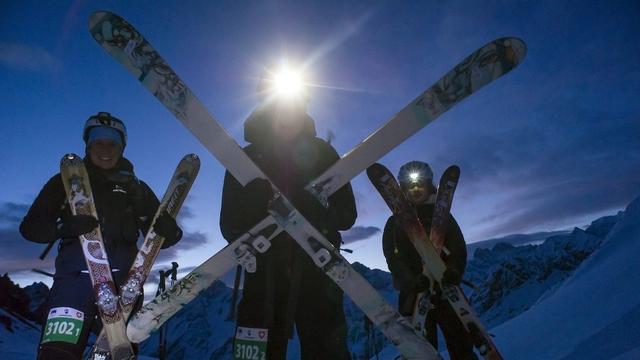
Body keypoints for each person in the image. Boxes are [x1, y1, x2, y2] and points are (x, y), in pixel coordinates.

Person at [20, 112, 183, 360]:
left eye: (112, 142)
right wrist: (64, 228)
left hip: (125, 286)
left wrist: (169, 231)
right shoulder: (64, 182)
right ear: (88, 144)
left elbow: (165, 237)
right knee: (58, 352)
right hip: (74, 281)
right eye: (98, 141)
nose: (105, 148)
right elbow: (30, 228)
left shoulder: (135, 188)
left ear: (121, 147)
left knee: (116, 354)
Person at [220, 78, 357, 359]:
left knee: (326, 351)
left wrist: (319, 209)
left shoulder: (323, 154)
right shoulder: (245, 160)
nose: (287, 114)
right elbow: (229, 225)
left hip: (318, 272)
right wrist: (252, 208)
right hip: (263, 274)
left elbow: (346, 216)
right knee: (257, 353)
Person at [382, 161, 477, 360]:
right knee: (422, 350)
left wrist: (453, 271)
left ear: (428, 185)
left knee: (460, 343)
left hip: (447, 291)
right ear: (403, 190)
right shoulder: (394, 223)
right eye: (410, 186)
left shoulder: (443, 217)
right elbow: (393, 258)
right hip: (413, 293)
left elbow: (458, 249)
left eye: (420, 185)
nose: (416, 189)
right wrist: (411, 280)